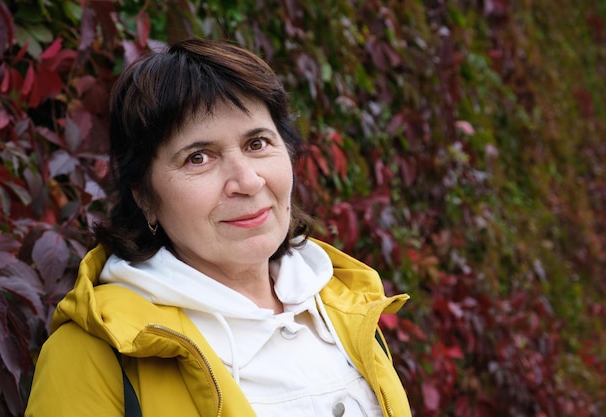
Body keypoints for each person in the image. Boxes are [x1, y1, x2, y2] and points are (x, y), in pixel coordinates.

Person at [25, 37, 411, 417]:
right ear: (144, 195)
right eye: (198, 158)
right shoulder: (96, 354)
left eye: (257, 143)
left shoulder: (346, 307)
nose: (247, 181)